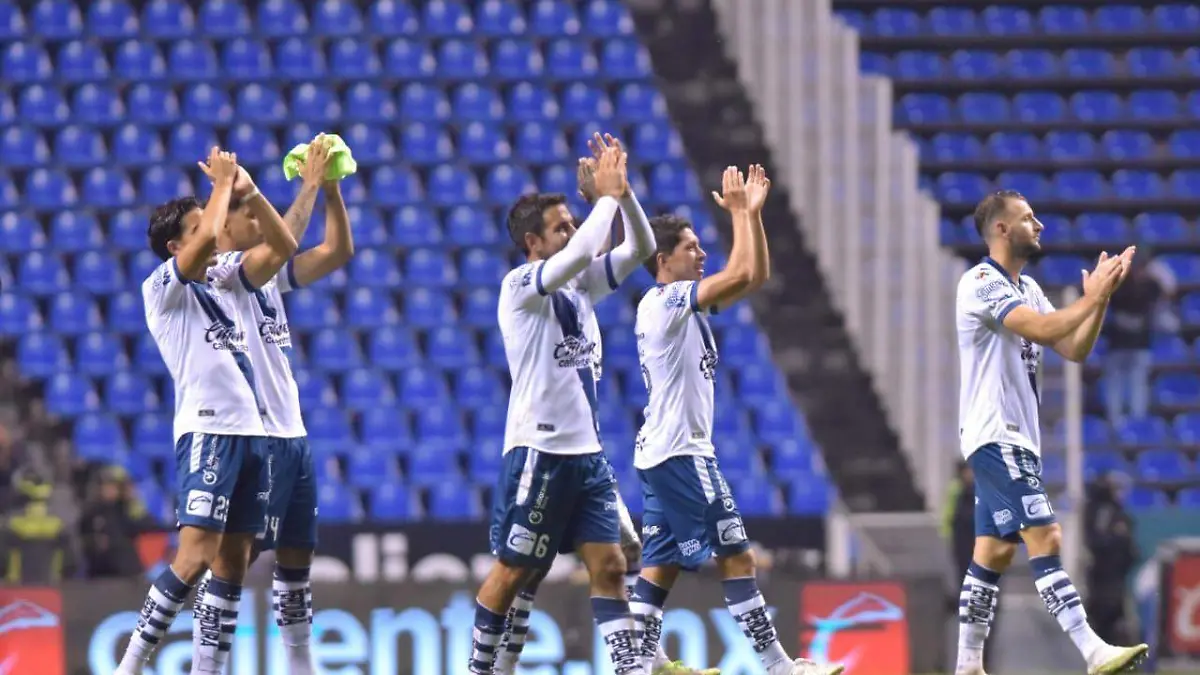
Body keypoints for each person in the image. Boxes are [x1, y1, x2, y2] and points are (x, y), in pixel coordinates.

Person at [493, 136, 700, 675]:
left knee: (611, 564)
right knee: (516, 573)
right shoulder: (521, 285)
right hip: (539, 449)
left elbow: (639, 248)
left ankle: (634, 669)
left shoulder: (580, 286)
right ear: (534, 242)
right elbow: (586, 250)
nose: (573, 231)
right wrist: (604, 199)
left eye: (572, 223)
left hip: (586, 455)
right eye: (561, 227)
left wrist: (623, 195)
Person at [626, 165, 839, 675]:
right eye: (692, 247)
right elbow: (741, 273)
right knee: (737, 558)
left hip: (664, 452)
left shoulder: (683, 309)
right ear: (663, 260)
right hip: (681, 453)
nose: (702, 254)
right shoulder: (666, 301)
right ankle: (780, 669)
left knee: (660, 566)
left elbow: (754, 277)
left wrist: (752, 217)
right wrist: (741, 213)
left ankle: (641, 663)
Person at [115, 148, 295, 675]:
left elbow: (283, 246)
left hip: (254, 434)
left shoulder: (228, 277)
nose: (215, 235)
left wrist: (248, 190)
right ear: (175, 246)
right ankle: (129, 665)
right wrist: (220, 186)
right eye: (200, 229)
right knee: (193, 559)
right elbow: (201, 249)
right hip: (208, 431)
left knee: (232, 564)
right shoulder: (162, 288)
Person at [953, 189, 1147, 675]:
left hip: (1017, 438)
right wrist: (1091, 296)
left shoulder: (1030, 288)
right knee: (1047, 534)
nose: (1038, 224)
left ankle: (968, 663)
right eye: (1027, 218)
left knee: (993, 552)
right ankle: (1092, 650)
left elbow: (1074, 348)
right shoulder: (980, 282)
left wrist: (1100, 301)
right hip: (996, 433)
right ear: (1001, 229)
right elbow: (1041, 330)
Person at [191, 135, 353, 674]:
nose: (259, 222)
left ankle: (300, 666)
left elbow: (337, 252)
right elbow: (286, 243)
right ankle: (206, 667)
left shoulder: (265, 277)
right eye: (248, 214)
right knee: (231, 563)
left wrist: (331, 190)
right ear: (225, 226)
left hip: (292, 435)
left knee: (297, 560)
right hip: (254, 437)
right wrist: (308, 185)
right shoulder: (223, 275)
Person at [1102, 254, 1167, 427]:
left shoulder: (1151, 285)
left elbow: (1168, 292)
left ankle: (1137, 424)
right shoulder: (1118, 284)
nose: (1138, 271)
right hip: (1117, 344)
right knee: (1116, 383)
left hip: (1140, 344)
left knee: (1138, 382)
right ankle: (1115, 422)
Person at [1084, 474, 1137, 645]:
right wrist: (1119, 538)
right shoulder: (1102, 510)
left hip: (1113, 572)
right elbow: (1098, 541)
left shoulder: (1112, 511)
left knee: (1113, 609)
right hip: (1105, 572)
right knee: (1105, 610)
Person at [79, 466, 152, 578]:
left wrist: (132, 500)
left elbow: (146, 525)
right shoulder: (92, 513)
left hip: (128, 572)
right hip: (100, 574)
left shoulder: (126, 510)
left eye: (115, 486)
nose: (110, 489)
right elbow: (83, 539)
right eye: (107, 485)